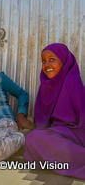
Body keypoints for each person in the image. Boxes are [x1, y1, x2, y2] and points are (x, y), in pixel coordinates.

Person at [24, 43, 85, 179]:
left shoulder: (71, 81)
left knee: (37, 139)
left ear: (64, 61)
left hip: (76, 133)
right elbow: (42, 122)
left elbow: (80, 122)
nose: (47, 64)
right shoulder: (46, 85)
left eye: (52, 60)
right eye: (44, 61)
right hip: (57, 134)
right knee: (33, 140)